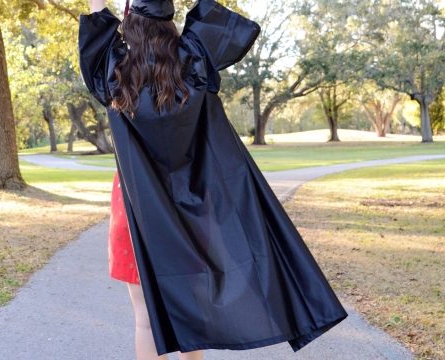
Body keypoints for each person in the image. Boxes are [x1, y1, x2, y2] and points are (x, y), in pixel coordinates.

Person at [78, 0, 348, 358]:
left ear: (129, 23)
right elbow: (215, 21)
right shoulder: (194, 62)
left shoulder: (113, 72)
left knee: (145, 318)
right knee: (195, 314)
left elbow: (98, 22)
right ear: (169, 21)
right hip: (196, 210)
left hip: (136, 211)